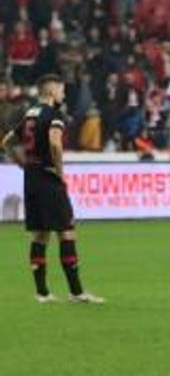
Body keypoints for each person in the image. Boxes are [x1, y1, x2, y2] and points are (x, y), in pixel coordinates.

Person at [1, 74, 104, 304]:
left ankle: (42, 293)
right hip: (48, 178)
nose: (63, 95)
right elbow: (55, 143)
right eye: (61, 91)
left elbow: (7, 141)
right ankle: (76, 292)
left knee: (40, 234)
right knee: (66, 231)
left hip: (31, 178)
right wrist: (60, 171)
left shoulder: (29, 114)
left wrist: (22, 164)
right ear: (51, 92)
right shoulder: (54, 115)